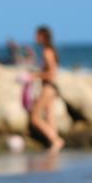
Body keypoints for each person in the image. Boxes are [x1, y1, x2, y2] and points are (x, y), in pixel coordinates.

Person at [30, 26, 65, 154]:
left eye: (37, 35)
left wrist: (35, 75)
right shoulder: (50, 50)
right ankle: (54, 146)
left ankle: (56, 140)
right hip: (51, 87)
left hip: (48, 87)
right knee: (50, 118)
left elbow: (52, 73)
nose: (35, 38)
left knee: (35, 118)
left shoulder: (47, 52)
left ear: (43, 36)